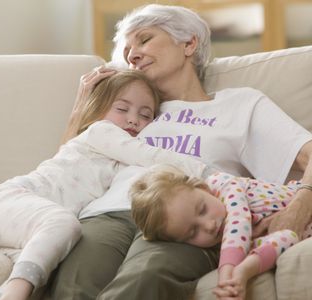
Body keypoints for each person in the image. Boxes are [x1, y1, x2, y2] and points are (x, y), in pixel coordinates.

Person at [49, 3, 312, 300]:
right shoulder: (134, 109)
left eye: (145, 40)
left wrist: (296, 212)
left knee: (144, 279)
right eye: (126, 50)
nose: (132, 54)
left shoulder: (241, 104)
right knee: (73, 285)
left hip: (184, 218)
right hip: (109, 212)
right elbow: (68, 165)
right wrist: (82, 108)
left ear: (189, 43)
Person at [0, 69, 210, 300]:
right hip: (10, 200)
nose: (133, 120)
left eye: (145, 115)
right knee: (65, 225)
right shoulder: (100, 132)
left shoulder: (120, 168)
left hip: (26, 226)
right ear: (97, 109)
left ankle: (9, 289)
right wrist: (207, 172)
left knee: (54, 260)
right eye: (122, 108)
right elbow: (148, 154)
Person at [130, 164, 312, 299]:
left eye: (202, 209)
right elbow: (286, 238)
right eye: (192, 232)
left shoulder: (222, 183)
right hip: (300, 231)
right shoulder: (229, 247)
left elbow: (238, 221)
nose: (209, 226)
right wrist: (242, 272)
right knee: (287, 237)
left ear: (202, 188)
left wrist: (226, 274)